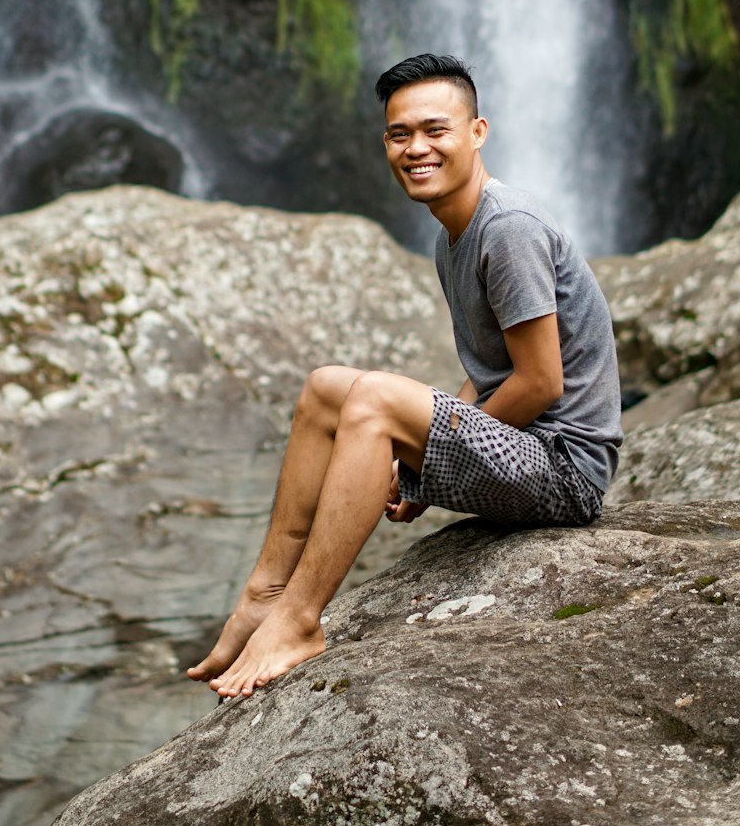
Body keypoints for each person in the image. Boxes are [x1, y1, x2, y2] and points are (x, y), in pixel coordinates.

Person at [187, 51, 623, 699]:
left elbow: (540, 383)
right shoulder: (453, 236)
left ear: (477, 132)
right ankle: (266, 594)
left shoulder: (508, 228)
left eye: (435, 129)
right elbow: (490, 371)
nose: (416, 147)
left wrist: (429, 457)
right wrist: (439, 448)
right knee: (326, 386)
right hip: (527, 452)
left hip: (566, 471)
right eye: (399, 134)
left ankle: (301, 622)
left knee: (374, 401)